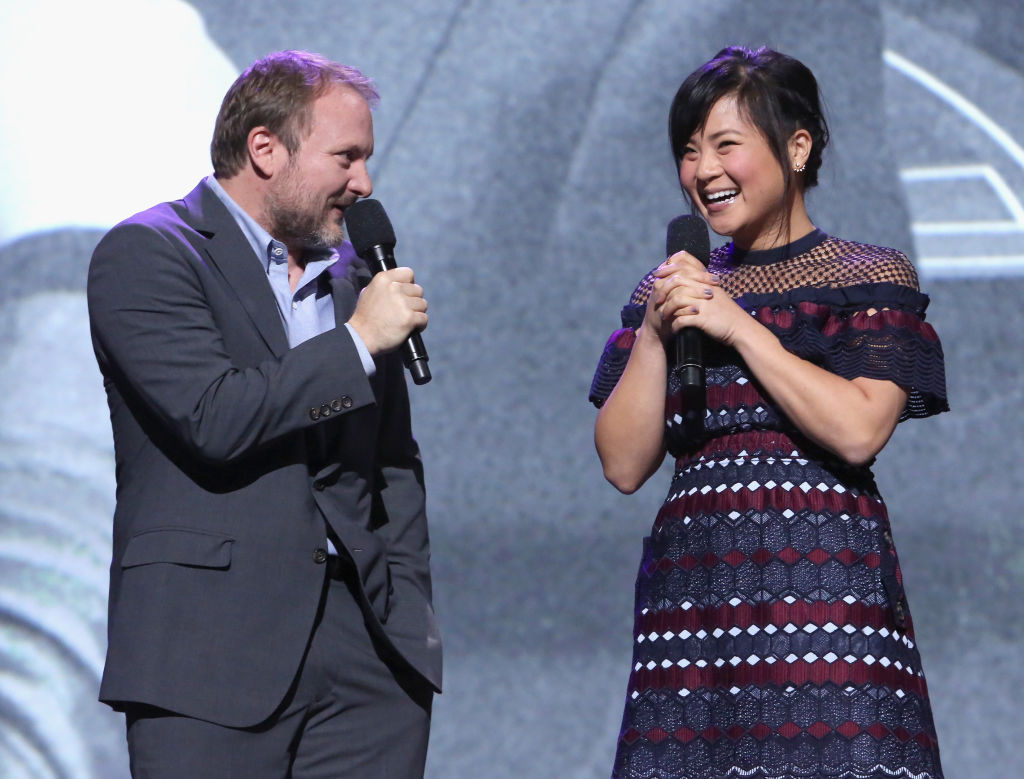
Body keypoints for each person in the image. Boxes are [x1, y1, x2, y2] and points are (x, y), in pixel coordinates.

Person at [591, 46, 947, 779]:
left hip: (826, 594)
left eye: (726, 145)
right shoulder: (671, 291)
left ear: (797, 147)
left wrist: (740, 328)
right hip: (696, 597)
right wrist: (656, 332)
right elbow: (623, 465)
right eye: (690, 151)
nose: (704, 171)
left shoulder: (866, 276)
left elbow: (858, 430)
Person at [87, 50, 441, 779]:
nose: (364, 183)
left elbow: (393, 465)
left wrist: (406, 616)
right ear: (265, 149)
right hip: (210, 647)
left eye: (367, 160)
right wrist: (357, 343)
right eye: (346, 157)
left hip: (366, 661)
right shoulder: (149, 253)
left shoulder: (355, 283)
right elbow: (213, 416)